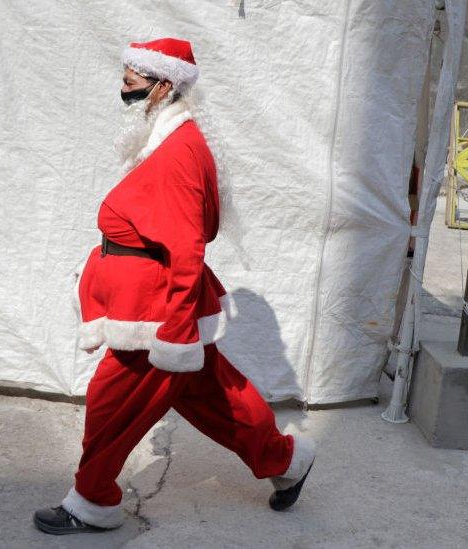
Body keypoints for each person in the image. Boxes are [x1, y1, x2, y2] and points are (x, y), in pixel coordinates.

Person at [33, 37, 316, 535]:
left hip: (156, 316)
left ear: (162, 87)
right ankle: (283, 460)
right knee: (215, 395)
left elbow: (187, 248)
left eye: (130, 83)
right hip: (147, 303)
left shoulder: (179, 150)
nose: (123, 91)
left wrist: (178, 330)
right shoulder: (164, 137)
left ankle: (92, 501)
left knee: (111, 403)